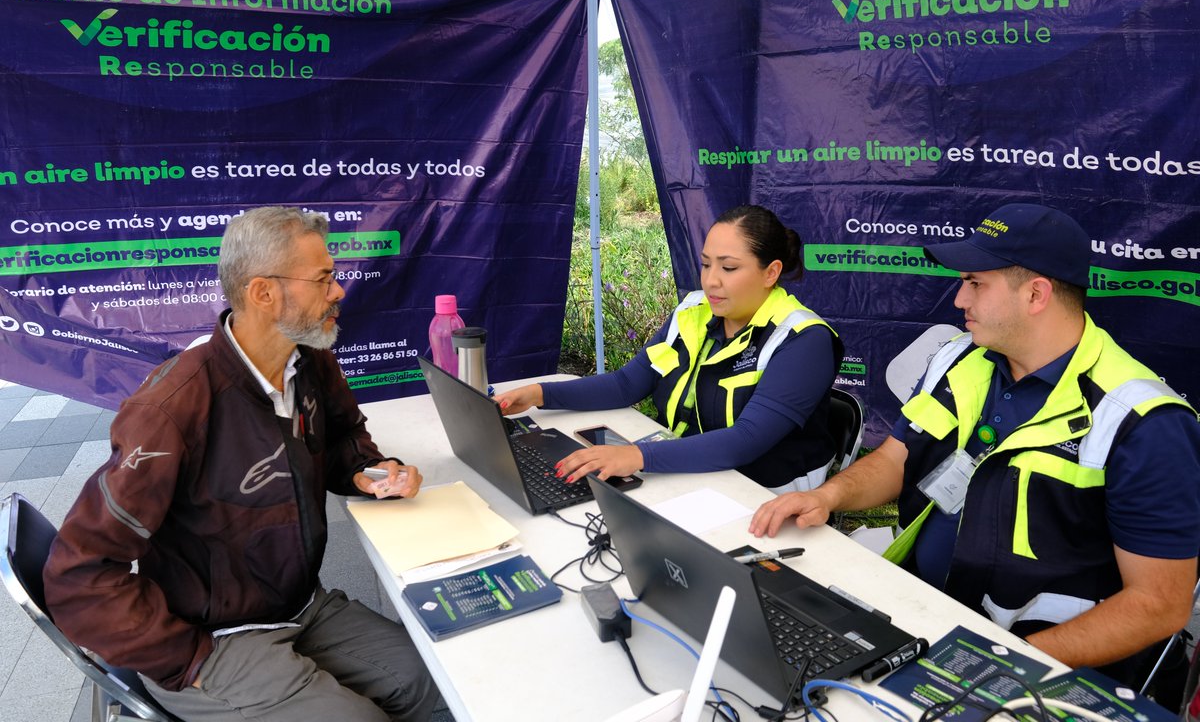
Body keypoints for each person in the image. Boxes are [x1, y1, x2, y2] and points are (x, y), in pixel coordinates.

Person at [750, 202, 1200, 678]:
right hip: (924, 615)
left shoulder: (1145, 423)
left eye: (975, 283)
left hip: (1042, 665)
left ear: (1036, 294)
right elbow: (898, 457)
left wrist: (1005, 662)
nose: (960, 300)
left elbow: (1159, 604)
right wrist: (827, 494)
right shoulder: (960, 358)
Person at [43, 207, 440, 721]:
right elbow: (79, 576)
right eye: (324, 279)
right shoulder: (171, 410)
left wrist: (370, 469)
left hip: (300, 606)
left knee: (440, 682)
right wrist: (185, 658)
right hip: (209, 638)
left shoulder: (309, 360)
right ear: (262, 293)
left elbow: (343, 436)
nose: (338, 291)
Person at [497, 204, 843, 492]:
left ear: (771, 273)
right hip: (688, 471)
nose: (711, 280)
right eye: (706, 264)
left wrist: (637, 456)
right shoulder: (693, 310)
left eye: (729, 267)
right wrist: (539, 394)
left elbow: (746, 440)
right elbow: (627, 384)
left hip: (761, 494)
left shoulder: (803, 339)